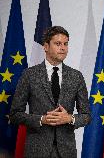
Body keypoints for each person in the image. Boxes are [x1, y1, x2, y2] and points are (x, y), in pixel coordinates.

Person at [10, 26, 91, 158]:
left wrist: (70, 118)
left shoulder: (76, 76)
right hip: (36, 150)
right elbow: (14, 115)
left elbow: (87, 116)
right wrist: (42, 119)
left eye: (65, 44)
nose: (63, 48)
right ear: (46, 46)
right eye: (58, 44)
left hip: (66, 152)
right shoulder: (29, 75)